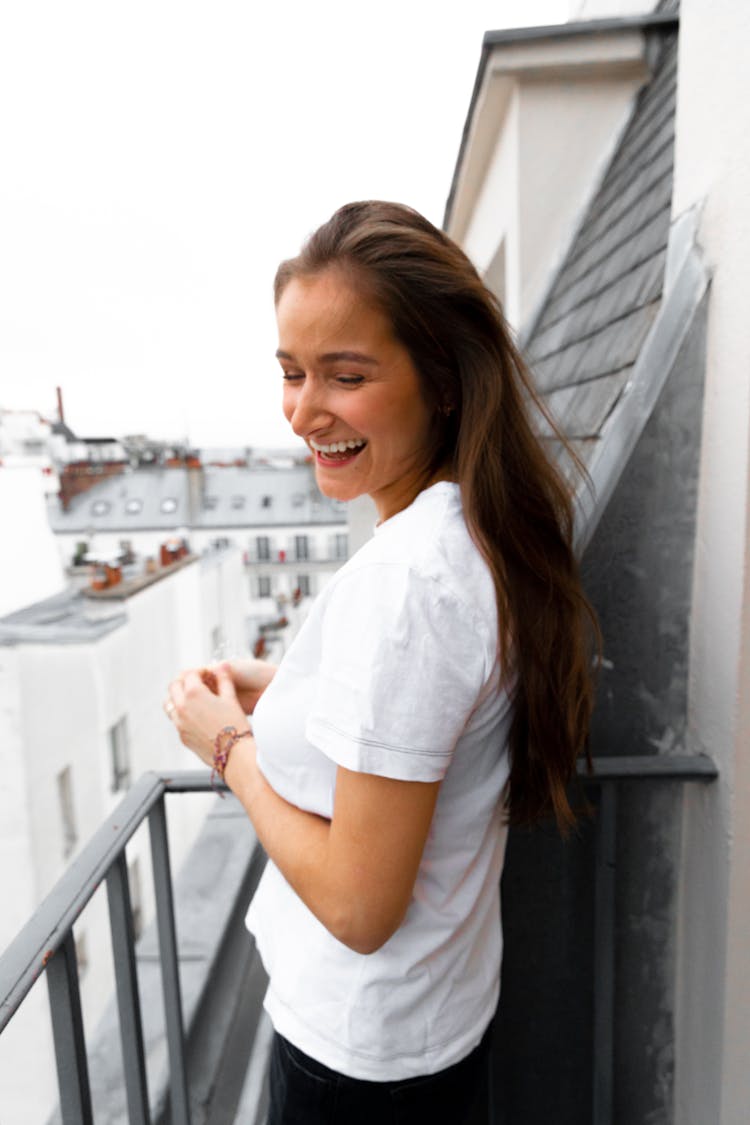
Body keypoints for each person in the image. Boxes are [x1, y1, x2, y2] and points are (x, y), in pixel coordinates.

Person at [164, 201, 598, 1124]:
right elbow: (430, 717)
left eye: (345, 375)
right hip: (432, 1023)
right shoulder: (467, 532)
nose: (304, 410)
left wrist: (228, 744)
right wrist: (292, 691)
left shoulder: (406, 582)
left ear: (440, 379)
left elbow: (362, 909)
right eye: (290, 372)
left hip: (359, 1060)